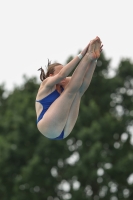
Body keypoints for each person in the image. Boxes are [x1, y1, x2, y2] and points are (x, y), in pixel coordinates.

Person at [35, 36, 103, 140]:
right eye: (59, 72)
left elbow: (83, 80)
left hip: (63, 132)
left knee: (78, 90)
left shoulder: (63, 83)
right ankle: (88, 56)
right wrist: (83, 54)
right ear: (51, 76)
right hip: (47, 125)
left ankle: (91, 57)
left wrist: (93, 60)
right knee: (70, 91)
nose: (65, 76)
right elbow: (62, 75)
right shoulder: (46, 84)